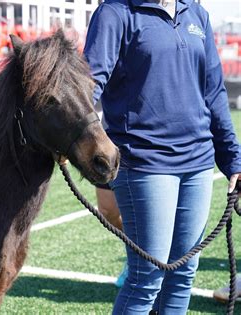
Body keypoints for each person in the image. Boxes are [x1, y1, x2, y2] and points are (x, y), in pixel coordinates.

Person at [84, 0, 241, 313]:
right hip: (144, 164)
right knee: (146, 279)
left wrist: (233, 159)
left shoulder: (196, 14)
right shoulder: (115, 13)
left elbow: (213, 93)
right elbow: (88, 87)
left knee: (182, 276)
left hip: (197, 165)